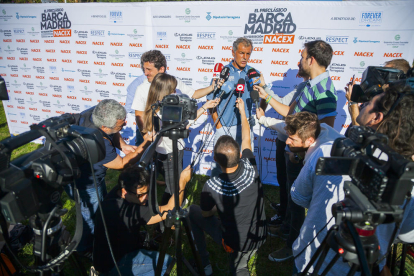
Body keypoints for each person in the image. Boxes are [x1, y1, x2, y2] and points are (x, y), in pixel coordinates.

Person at [290, 85, 414, 275]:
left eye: (367, 103)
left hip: (311, 264)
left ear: (376, 117)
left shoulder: (328, 151)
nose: (362, 105)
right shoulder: (409, 185)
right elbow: (406, 234)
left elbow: (299, 197)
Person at [255, 40, 338, 262]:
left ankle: (293, 246)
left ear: (311, 60)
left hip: (300, 156)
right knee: (292, 200)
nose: (299, 61)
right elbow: (291, 116)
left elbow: (324, 131)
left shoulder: (325, 91)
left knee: (298, 203)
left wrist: (300, 153)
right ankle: (286, 232)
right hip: (294, 151)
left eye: (302, 57)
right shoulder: (310, 85)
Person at [189, 98, 267, 276]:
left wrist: (218, 206)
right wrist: (242, 112)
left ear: (215, 160)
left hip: (237, 243)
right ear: (240, 154)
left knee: (192, 212)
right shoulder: (250, 166)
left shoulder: (212, 185)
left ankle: (204, 264)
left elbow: (207, 215)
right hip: (260, 235)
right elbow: (246, 136)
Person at [64, 99, 153, 256]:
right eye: (121, 125)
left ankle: (99, 236)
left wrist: (123, 146)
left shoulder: (98, 113)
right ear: (104, 126)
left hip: (88, 175)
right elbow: (122, 164)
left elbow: (113, 131)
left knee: (101, 210)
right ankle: (85, 249)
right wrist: (145, 143)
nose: (124, 125)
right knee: (91, 215)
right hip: (86, 183)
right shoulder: (99, 141)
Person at [93, 164, 192, 275]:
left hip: (104, 255)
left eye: (147, 192)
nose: (146, 198)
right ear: (125, 192)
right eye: (141, 195)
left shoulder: (121, 189)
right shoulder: (129, 211)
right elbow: (170, 209)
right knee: (166, 263)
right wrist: (182, 182)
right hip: (114, 263)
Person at [142, 73, 220, 206]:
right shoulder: (163, 111)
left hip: (166, 152)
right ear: (164, 91)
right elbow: (186, 123)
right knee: (173, 188)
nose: (175, 92)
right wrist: (204, 107)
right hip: (171, 152)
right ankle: (167, 217)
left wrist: (205, 106)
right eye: (172, 90)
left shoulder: (154, 106)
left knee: (171, 184)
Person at [131, 50, 221, 138]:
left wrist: (212, 87)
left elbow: (194, 94)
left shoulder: (173, 81)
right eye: (144, 69)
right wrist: (146, 137)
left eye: (149, 69)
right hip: (148, 138)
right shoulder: (141, 89)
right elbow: (139, 117)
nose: (145, 73)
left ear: (161, 69)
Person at [206, 37, 260, 177]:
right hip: (224, 127)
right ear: (233, 52)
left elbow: (263, 94)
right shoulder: (223, 73)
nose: (245, 57)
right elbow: (210, 101)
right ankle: (217, 196)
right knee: (221, 168)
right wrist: (218, 126)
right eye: (242, 53)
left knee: (246, 166)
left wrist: (262, 110)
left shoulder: (253, 74)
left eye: (248, 54)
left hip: (245, 127)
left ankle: (242, 196)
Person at [345, 58, 411, 127]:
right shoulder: (377, 98)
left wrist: (353, 103)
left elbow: (360, 131)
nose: (379, 77)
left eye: (384, 74)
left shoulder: (390, 106)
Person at [125, 74, 147, 146]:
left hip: (164, 126)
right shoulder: (137, 83)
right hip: (144, 126)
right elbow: (129, 107)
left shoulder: (169, 80)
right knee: (143, 153)